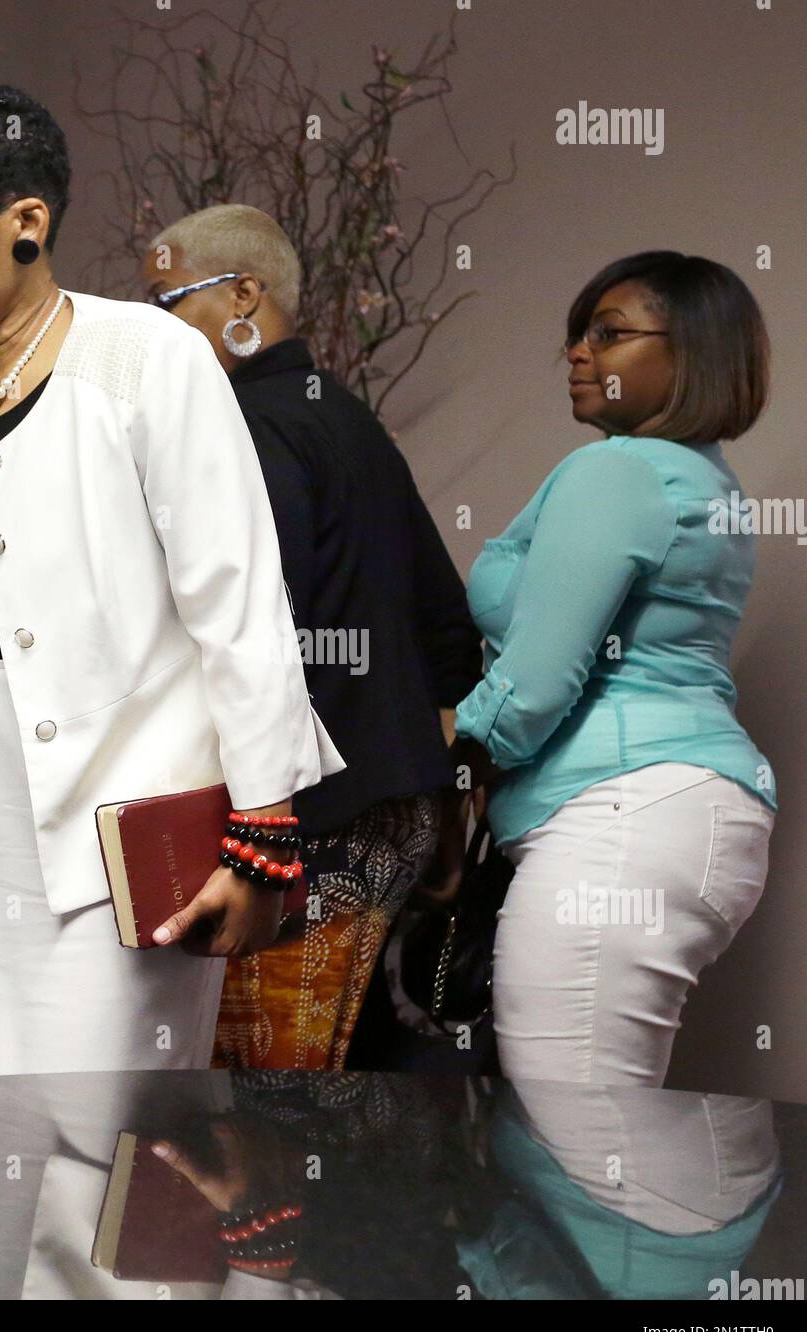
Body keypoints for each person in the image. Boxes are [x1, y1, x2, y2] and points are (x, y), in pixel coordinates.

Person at [0, 84, 343, 1079]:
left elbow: (238, 599)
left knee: (99, 1145)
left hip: (126, 815)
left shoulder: (146, 357)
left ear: (26, 222)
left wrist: (262, 834)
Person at [141, 205, 483, 1069]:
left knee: (265, 1107)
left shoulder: (243, 428)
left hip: (304, 820)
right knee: (313, 1083)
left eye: (165, 302)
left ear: (245, 293)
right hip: (389, 806)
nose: (153, 332)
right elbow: (447, 626)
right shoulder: (346, 417)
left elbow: (250, 630)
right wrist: (439, 796)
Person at [451, 251, 777, 1087]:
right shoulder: (704, 480)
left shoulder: (619, 470)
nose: (578, 352)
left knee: (578, 1141)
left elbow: (538, 678)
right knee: (596, 1145)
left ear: (693, 353)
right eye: (578, 334)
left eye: (610, 333)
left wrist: (453, 772)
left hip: (622, 821)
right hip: (680, 814)